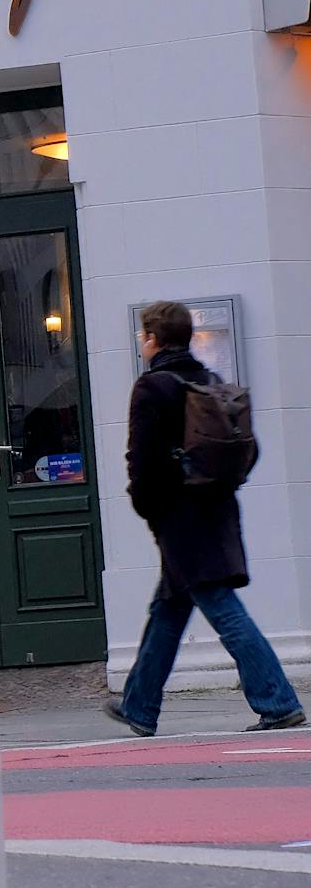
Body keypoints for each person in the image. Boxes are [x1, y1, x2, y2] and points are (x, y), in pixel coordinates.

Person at [106, 302, 305, 737]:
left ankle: (279, 703)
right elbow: (248, 449)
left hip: (179, 517)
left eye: (143, 336)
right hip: (216, 508)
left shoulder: (152, 387)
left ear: (153, 340)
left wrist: (146, 506)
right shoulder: (210, 381)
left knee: (220, 605)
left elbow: (141, 459)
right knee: (169, 607)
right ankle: (139, 706)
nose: (142, 343)